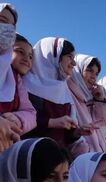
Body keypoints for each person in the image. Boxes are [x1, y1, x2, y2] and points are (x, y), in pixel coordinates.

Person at [22, 37, 91, 156]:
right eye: (69, 57)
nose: (73, 63)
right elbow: (19, 121)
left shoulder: (64, 92)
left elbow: (64, 135)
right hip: (29, 155)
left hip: (57, 160)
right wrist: (52, 122)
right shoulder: (25, 85)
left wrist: (77, 132)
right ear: (52, 57)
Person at [68, 54, 106, 153]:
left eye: (96, 74)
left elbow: (103, 131)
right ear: (78, 69)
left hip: (95, 158)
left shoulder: (90, 98)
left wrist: (100, 100)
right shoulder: (68, 92)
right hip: (81, 159)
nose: (93, 77)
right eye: (90, 70)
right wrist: (86, 151)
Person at [5, 33, 36, 135]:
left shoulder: (18, 82)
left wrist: (16, 119)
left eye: (31, 56)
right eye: (20, 52)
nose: (27, 59)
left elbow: (30, 113)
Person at [0, 3, 22, 150]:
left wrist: (14, 121)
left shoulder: (11, 74)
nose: (8, 29)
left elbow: (29, 112)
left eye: (12, 26)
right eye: (2, 21)